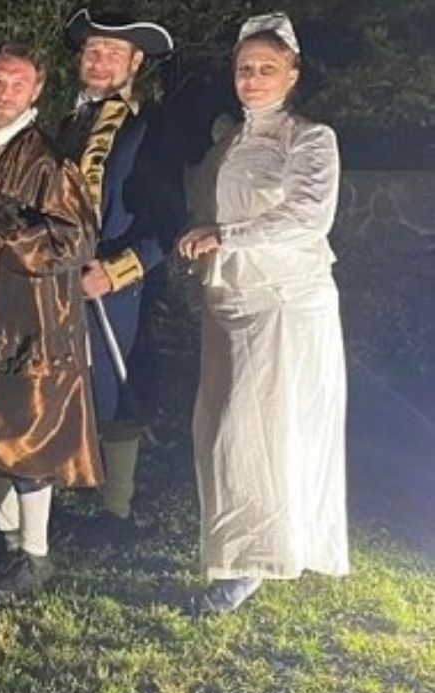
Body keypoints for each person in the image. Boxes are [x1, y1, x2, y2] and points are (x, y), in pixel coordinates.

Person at [177, 12, 347, 615]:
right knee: (218, 431)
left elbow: (307, 216)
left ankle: (254, 561)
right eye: (244, 69)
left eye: (266, 69)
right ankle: (239, 552)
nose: (252, 79)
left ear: (292, 74)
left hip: (283, 302)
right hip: (229, 300)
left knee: (255, 431)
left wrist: (226, 233)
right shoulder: (230, 139)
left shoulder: (308, 137)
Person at [0, 44, 101, 597]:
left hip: (26, 315)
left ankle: (35, 555)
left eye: (16, 83)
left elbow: (73, 242)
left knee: (26, 430)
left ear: (36, 92)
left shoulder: (47, 160)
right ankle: (7, 539)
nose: (3, 92)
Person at [56, 9, 179, 524]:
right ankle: (57, 486)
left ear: (136, 61)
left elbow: (169, 220)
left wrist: (116, 271)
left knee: (117, 392)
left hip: (117, 282)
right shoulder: (66, 124)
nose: (100, 62)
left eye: (112, 53)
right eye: (93, 51)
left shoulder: (150, 129)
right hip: (59, 276)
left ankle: (117, 507)